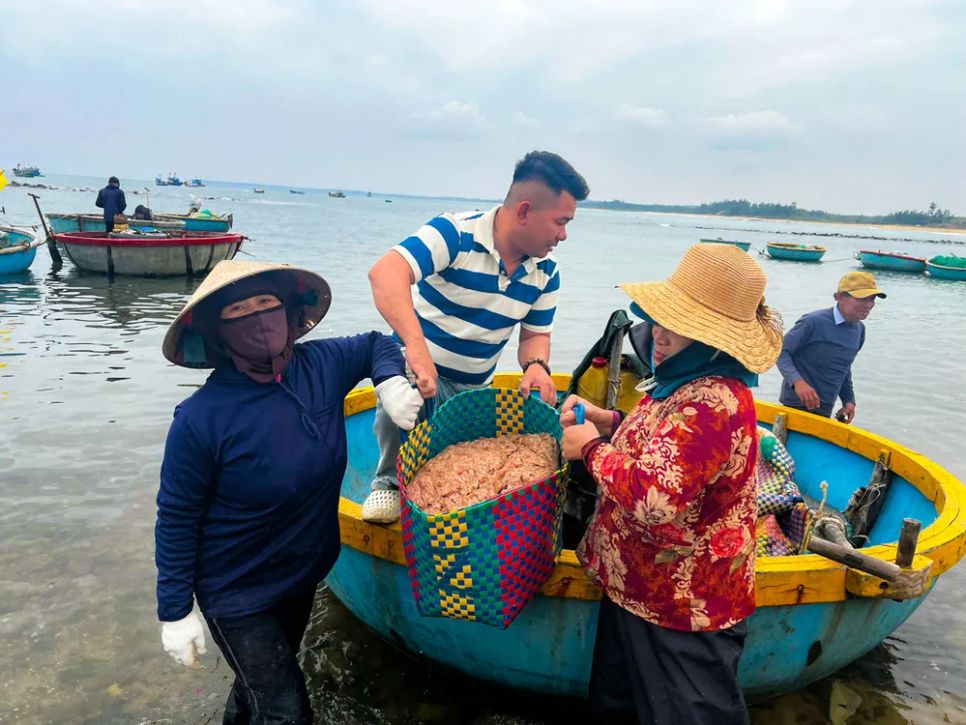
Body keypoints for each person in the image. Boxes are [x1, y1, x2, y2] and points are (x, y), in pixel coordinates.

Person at [154, 260, 423, 724]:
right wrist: (175, 611)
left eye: (266, 303)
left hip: (300, 574)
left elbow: (376, 343)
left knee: (257, 687)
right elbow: (177, 518)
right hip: (236, 592)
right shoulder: (200, 419)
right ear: (219, 331)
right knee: (286, 711)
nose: (257, 318)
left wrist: (390, 380)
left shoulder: (320, 365)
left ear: (289, 310)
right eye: (238, 310)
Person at [560, 244, 783, 724]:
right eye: (660, 320)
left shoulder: (714, 401)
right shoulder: (680, 382)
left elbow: (657, 500)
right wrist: (607, 422)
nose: (658, 335)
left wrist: (592, 450)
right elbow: (663, 445)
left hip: (684, 607)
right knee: (617, 707)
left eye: (679, 328)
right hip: (638, 588)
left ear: (715, 341)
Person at [362, 150, 590, 524]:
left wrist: (536, 366)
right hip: (420, 373)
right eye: (560, 222)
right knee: (398, 385)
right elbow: (385, 274)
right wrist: (417, 348)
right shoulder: (454, 233)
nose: (563, 235)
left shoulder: (547, 271)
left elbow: (535, 334)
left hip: (472, 389)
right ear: (524, 211)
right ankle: (386, 484)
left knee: (464, 477)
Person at [777, 271, 886, 423]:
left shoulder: (859, 330)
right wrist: (798, 383)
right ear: (839, 297)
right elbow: (781, 352)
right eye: (862, 298)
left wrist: (848, 400)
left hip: (825, 407)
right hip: (795, 404)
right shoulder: (813, 321)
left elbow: (843, 369)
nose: (868, 305)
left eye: (872, 299)